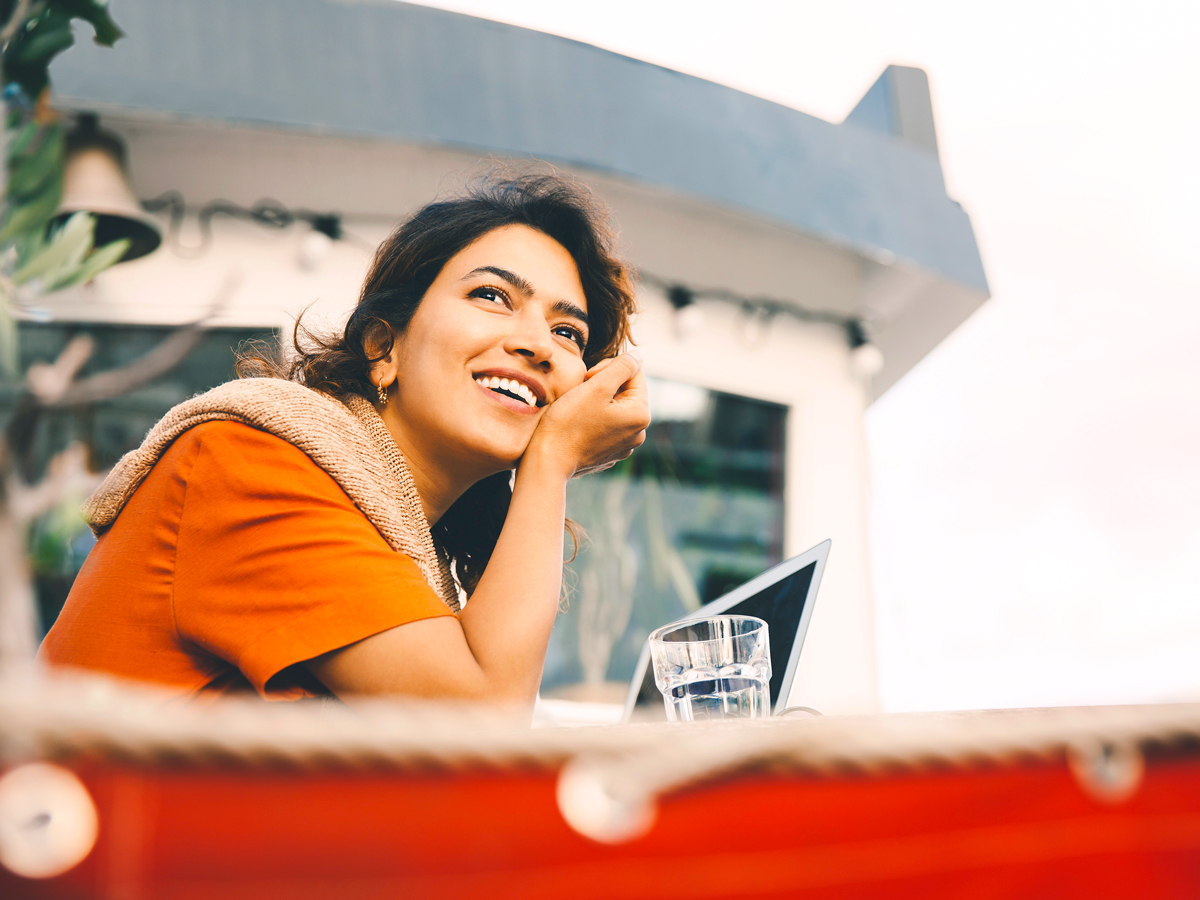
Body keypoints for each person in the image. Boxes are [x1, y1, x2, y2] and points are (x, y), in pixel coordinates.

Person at [39, 174, 649, 711]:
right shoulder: (247, 457)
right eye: (491, 296)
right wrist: (551, 462)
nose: (539, 344)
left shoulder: (410, 553)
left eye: (568, 331)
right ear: (384, 348)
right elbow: (481, 729)